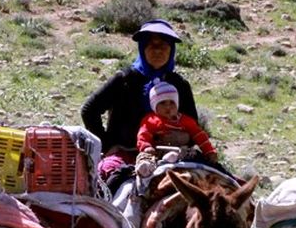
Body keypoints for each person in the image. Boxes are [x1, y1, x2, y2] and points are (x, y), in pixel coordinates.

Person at [80, 19, 198, 191]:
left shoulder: (179, 84)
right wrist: (108, 145)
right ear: (142, 48)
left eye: (163, 45)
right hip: (127, 153)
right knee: (111, 185)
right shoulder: (125, 80)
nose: (158, 50)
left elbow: (193, 124)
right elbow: (89, 110)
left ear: (171, 49)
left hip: (172, 155)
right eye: (152, 45)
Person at [136, 80, 217, 161]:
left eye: (172, 102)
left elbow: (199, 135)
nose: (168, 106)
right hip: (157, 154)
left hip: (182, 154)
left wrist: (209, 151)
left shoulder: (186, 120)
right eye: (162, 103)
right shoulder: (151, 120)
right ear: (154, 105)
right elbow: (143, 134)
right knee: (144, 161)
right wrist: (146, 147)